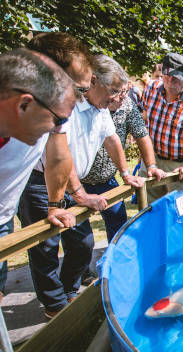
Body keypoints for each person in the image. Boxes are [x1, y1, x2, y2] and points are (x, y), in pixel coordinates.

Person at [18, 54, 145, 318]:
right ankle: (54, 305)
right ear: (94, 81)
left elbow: (112, 140)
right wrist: (80, 193)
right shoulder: (68, 106)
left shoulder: (100, 108)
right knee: (46, 246)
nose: (116, 98)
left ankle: (68, 289)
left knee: (83, 244)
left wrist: (124, 173)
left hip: (70, 182)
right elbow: (61, 157)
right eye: (113, 91)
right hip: (42, 182)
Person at [0, 48, 78, 301]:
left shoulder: (26, 130)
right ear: (24, 104)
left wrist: (55, 206)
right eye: (58, 120)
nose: (59, 129)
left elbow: (58, 157)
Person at [81, 82, 166, 244]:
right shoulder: (86, 104)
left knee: (118, 225)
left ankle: (115, 265)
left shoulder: (126, 105)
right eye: (119, 92)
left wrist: (151, 166)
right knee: (81, 240)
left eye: (125, 91)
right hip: (77, 182)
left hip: (106, 179)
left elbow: (141, 134)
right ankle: (81, 269)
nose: (124, 96)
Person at [140, 52, 183, 203]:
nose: (170, 83)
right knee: (149, 209)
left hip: (179, 167)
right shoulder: (151, 89)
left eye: (176, 79)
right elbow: (144, 120)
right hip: (151, 161)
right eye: (166, 77)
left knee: (179, 211)